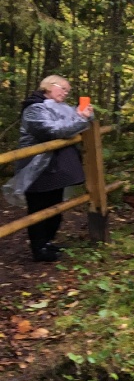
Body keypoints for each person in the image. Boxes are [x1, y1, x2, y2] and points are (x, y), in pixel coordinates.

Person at [15, 75, 94, 262]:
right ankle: (38, 248)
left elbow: (74, 125)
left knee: (55, 206)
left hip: (54, 166)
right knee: (38, 207)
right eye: (63, 88)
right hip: (35, 167)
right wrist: (81, 120)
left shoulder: (60, 108)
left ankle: (48, 242)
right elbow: (52, 131)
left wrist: (86, 115)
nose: (66, 93)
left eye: (68, 90)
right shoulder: (34, 108)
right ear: (48, 86)